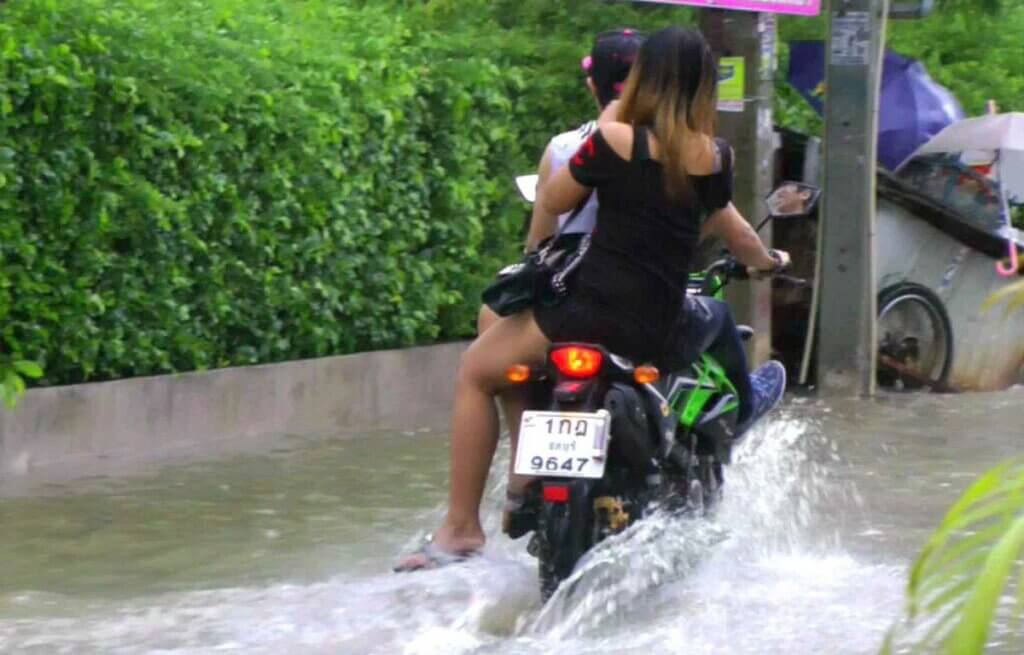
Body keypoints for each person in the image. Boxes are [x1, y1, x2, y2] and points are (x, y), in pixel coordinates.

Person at [395, 25, 789, 571]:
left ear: (641, 79)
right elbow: (733, 230)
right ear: (702, 86)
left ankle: (461, 529)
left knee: (476, 370)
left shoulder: (611, 142)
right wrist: (768, 263)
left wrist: (606, 132)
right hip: (657, 325)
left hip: (584, 314)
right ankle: (735, 413)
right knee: (717, 323)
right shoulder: (712, 156)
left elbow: (554, 201)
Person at [475, 29, 644, 535]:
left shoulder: (569, 147)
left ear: (594, 82)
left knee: (486, 352)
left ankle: (505, 482)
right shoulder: (683, 147)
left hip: (566, 301)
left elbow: (539, 241)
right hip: (643, 304)